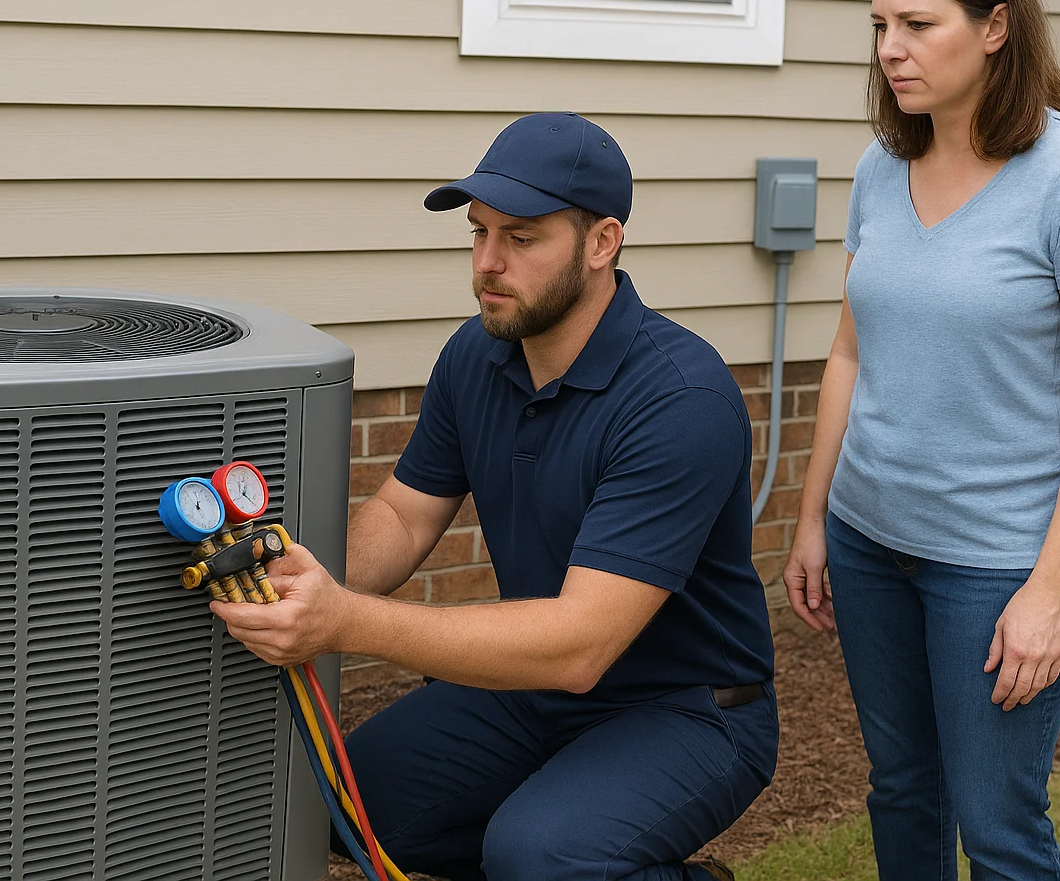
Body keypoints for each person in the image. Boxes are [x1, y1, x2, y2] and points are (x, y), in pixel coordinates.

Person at [214, 111, 778, 881]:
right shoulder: (478, 354)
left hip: (688, 708)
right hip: (532, 685)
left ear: (602, 243)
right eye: (478, 233)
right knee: (343, 806)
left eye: (521, 239)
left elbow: (582, 645)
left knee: (540, 856)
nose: (487, 263)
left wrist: (345, 621)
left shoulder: (681, 400)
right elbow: (405, 516)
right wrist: (305, 579)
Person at [781, 0, 1060, 881]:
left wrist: (1050, 590)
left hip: (997, 567)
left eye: (918, 24)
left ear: (996, 27)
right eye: (878, 27)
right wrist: (815, 516)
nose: (890, 51)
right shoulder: (881, 164)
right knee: (902, 786)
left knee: (997, 826)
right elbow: (850, 354)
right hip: (869, 543)